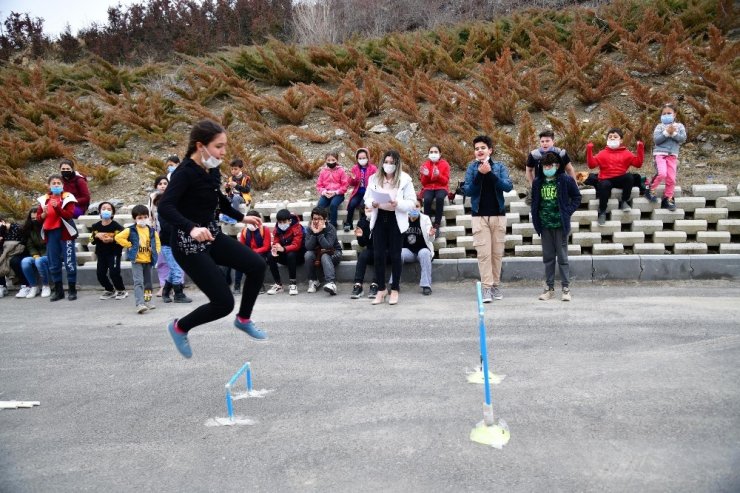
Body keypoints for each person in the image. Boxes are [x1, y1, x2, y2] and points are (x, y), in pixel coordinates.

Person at [157, 119, 267, 358]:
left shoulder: (212, 168)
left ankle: (244, 319)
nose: (223, 152)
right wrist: (191, 228)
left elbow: (217, 198)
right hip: (189, 247)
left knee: (257, 265)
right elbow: (165, 207)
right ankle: (179, 327)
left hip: (213, 237)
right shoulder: (184, 173)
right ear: (200, 146)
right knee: (223, 303)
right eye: (219, 146)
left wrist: (240, 217)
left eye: (225, 146)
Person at [463, 135, 513, 303]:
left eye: (483, 148)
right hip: (479, 216)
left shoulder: (499, 166)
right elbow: (468, 191)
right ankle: (486, 288)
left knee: (496, 254)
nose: (479, 151)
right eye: (477, 148)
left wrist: (490, 174)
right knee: (483, 254)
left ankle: (496, 285)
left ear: (490, 150)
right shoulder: (471, 168)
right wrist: (479, 174)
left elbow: (507, 187)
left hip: (498, 215)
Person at [364, 149, 416, 305]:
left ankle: (395, 289)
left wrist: (398, 203)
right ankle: (381, 289)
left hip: (396, 218)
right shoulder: (374, 178)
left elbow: (412, 202)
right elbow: (367, 198)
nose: (388, 165)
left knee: (395, 255)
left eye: (392, 163)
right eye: (386, 162)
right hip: (379, 217)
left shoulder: (405, 179)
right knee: (378, 255)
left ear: (397, 164)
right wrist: (372, 203)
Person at [531, 153, 581, 302]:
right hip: (545, 225)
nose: (547, 168)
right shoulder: (538, 181)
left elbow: (577, 197)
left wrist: (567, 211)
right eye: (545, 166)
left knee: (563, 258)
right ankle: (549, 288)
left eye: (550, 165)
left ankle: (566, 288)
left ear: (557, 166)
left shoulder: (565, 180)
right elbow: (534, 201)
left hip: (560, 225)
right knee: (548, 258)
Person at [586, 128, 645, 225]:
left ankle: (624, 201)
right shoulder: (602, 153)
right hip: (605, 179)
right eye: (610, 137)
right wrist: (589, 150)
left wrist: (640, 148)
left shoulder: (626, 153)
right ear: (607, 140)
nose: (612, 138)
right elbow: (591, 165)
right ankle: (602, 212)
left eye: (615, 136)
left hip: (620, 178)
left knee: (629, 177)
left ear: (621, 140)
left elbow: (638, 164)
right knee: (604, 185)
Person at [37, 174, 79, 302]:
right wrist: (43, 214)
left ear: (62, 185)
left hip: (64, 233)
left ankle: (72, 289)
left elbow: (69, 215)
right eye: (53, 183)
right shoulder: (44, 199)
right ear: (49, 185)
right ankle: (59, 290)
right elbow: (39, 218)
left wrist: (57, 207)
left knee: (69, 262)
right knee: (53, 262)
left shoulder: (67, 198)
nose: (56, 185)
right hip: (51, 234)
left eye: (58, 183)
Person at [115, 205, 160, 314]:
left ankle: (147, 301)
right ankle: (140, 304)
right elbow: (118, 237)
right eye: (139, 218)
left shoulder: (152, 231)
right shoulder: (131, 230)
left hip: (148, 260)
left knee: (148, 283)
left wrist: (156, 252)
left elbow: (157, 243)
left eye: (145, 217)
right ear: (135, 218)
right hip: (137, 260)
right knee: (138, 282)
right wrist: (128, 244)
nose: (143, 219)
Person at [646, 103, 687, 212]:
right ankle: (650, 188)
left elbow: (682, 139)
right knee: (662, 173)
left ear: (675, 114)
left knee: (671, 178)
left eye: (669, 113)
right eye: (664, 113)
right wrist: (666, 133)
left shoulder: (679, 126)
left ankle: (668, 198)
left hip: (672, 155)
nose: (666, 115)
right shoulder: (659, 127)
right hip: (660, 154)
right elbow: (656, 140)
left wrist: (673, 133)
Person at [152, 193, 191, 304]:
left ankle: (166, 291)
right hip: (167, 245)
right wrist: (181, 225)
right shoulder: (162, 213)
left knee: (174, 269)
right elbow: (167, 227)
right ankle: (178, 294)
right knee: (176, 269)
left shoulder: (175, 212)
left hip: (177, 244)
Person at [525, 130, 577, 205]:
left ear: (553, 141)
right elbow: (528, 170)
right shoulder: (534, 155)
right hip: (542, 186)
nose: (544, 143)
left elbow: (569, 169)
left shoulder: (561, 153)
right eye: (542, 141)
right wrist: (533, 185)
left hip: (560, 185)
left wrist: (574, 185)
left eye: (547, 141)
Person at [89, 202, 127, 300]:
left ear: (113, 213)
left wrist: (112, 239)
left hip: (114, 253)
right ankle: (109, 289)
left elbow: (124, 239)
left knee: (114, 272)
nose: (106, 211)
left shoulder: (117, 226)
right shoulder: (95, 226)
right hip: (101, 254)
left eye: (109, 209)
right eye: (103, 208)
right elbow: (91, 240)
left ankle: (121, 289)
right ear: (100, 212)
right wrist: (96, 235)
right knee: (100, 274)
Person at [396, 200, 435, 295]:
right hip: (408, 250)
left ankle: (426, 285)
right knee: (398, 253)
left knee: (425, 253)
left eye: (417, 206)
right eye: (412, 206)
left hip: (422, 249)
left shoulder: (425, 219)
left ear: (421, 208)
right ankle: (394, 284)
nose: (414, 208)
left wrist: (431, 234)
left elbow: (431, 239)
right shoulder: (403, 219)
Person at [266, 208, 305, 296]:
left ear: (289, 221)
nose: (282, 224)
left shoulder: (297, 228)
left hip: (298, 256)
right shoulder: (277, 229)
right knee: (270, 255)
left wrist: (283, 249)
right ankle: (278, 284)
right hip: (285, 254)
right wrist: (276, 247)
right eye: (280, 222)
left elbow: (296, 245)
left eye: (284, 222)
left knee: (291, 254)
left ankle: (293, 284)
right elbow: (276, 241)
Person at [304, 206, 342, 295]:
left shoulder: (330, 228)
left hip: (333, 253)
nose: (316, 221)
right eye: (314, 219)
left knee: (325, 255)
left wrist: (320, 233)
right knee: (308, 255)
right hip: (317, 254)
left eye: (320, 219)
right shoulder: (310, 229)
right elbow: (308, 247)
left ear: (325, 219)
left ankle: (331, 283)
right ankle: (313, 281)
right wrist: (314, 234)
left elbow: (328, 246)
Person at [19, 208, 52, 298]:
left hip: (49, 254)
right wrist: (35, 255)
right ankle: (34, 286)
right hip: (37, 254)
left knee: (39, 261)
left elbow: (51, 244)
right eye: (32, 219)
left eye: (36, 218)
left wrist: (42, 256)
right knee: (25, 262)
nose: (34, 221)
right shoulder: (30, 230)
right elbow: (30, 246)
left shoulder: (47, 227)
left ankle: (46, 285)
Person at [238, 210, 271, 295]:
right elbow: (242, 246)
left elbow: (266, 247)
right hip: (249, 254)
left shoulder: (264, 229)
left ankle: (259, 285)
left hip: (262, 254)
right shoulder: (244, 231)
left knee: (258, 261)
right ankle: (237, 286)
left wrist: (253, 252)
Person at [350, 205, 380, 299]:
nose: (369, 210)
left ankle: (375, 284)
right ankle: (358, 285)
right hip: (371, 249)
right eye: (367, 208)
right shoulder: (362, 222)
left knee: (378, 254)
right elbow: (362, 244)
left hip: (384, 251)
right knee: (363, 255)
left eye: (371, 207)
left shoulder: (381, 220)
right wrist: (360, 236)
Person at [420, 145, 450, 237]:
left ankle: (436, 224)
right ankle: (427, 224)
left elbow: (445, 181)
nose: (433, 154)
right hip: (429, 188)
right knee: (427, 199)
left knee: (440, 198)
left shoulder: (445, 164)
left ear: (440, 154)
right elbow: (424, 183)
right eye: (431, 152)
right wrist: (425, 175)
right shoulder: (426, 164)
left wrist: (438, 175)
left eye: (436, 152)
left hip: (441, 187)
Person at [343, 148, 377, 232]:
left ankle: (363, 225)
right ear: (357, 159)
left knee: (363, 205)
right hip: (358, 192)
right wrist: (353, 179)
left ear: (368, 158)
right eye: (360, 158)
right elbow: (351, 183)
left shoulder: (373, 168)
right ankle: (348, 223)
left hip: (368, 193)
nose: (362, 160)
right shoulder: (355, 168)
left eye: (364, 158)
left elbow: (376, 181)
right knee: (351, 204)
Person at [316, 151, 349, 228]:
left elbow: (345, 185)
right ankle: (321, 223)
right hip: (326, 193)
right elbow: (319, 185)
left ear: (337, 160)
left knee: (333, 205)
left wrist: (336, 192)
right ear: (325, 161)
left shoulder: (341, 171)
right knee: (320, 206)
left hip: (338, 194)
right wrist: (324, 192)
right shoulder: (323, 171)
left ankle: (333, 225)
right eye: (329, 160)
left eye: (333, 160)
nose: (331, 162)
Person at [149, 176, 169, 296]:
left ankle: (177, 284)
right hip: (159, 233)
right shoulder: (153, 198)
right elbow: (150, 215)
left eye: (165, 183)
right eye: (160, 183)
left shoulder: (174, 196)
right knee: (161, 260)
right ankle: (163, 285)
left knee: (175, 260)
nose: (162, 185)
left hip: (172, 232)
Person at [0, 217, 30, 298]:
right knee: (2, 260)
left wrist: (5, 228)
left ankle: (25, 285)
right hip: (6, 253)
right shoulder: (2, 231)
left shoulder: (16, 227)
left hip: (20, 251)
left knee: (14, 261)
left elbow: (23, 240)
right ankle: (2, 286)